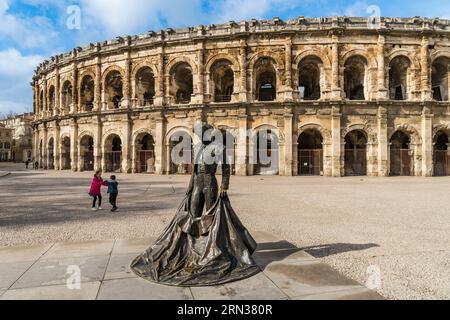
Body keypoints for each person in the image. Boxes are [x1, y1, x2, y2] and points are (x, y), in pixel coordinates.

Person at [131, 121, 259, 287]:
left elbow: (226, 168)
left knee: (211, 215)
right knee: (192, 214)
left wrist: (224, 185)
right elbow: (194, 170)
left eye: (200, 133)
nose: (199, 136)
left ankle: (213, 245)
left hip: (210, 181)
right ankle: (191, 248)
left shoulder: (218, 147)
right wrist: (190, 188)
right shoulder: (198, 148)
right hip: (198, 182)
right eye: (197, 134)